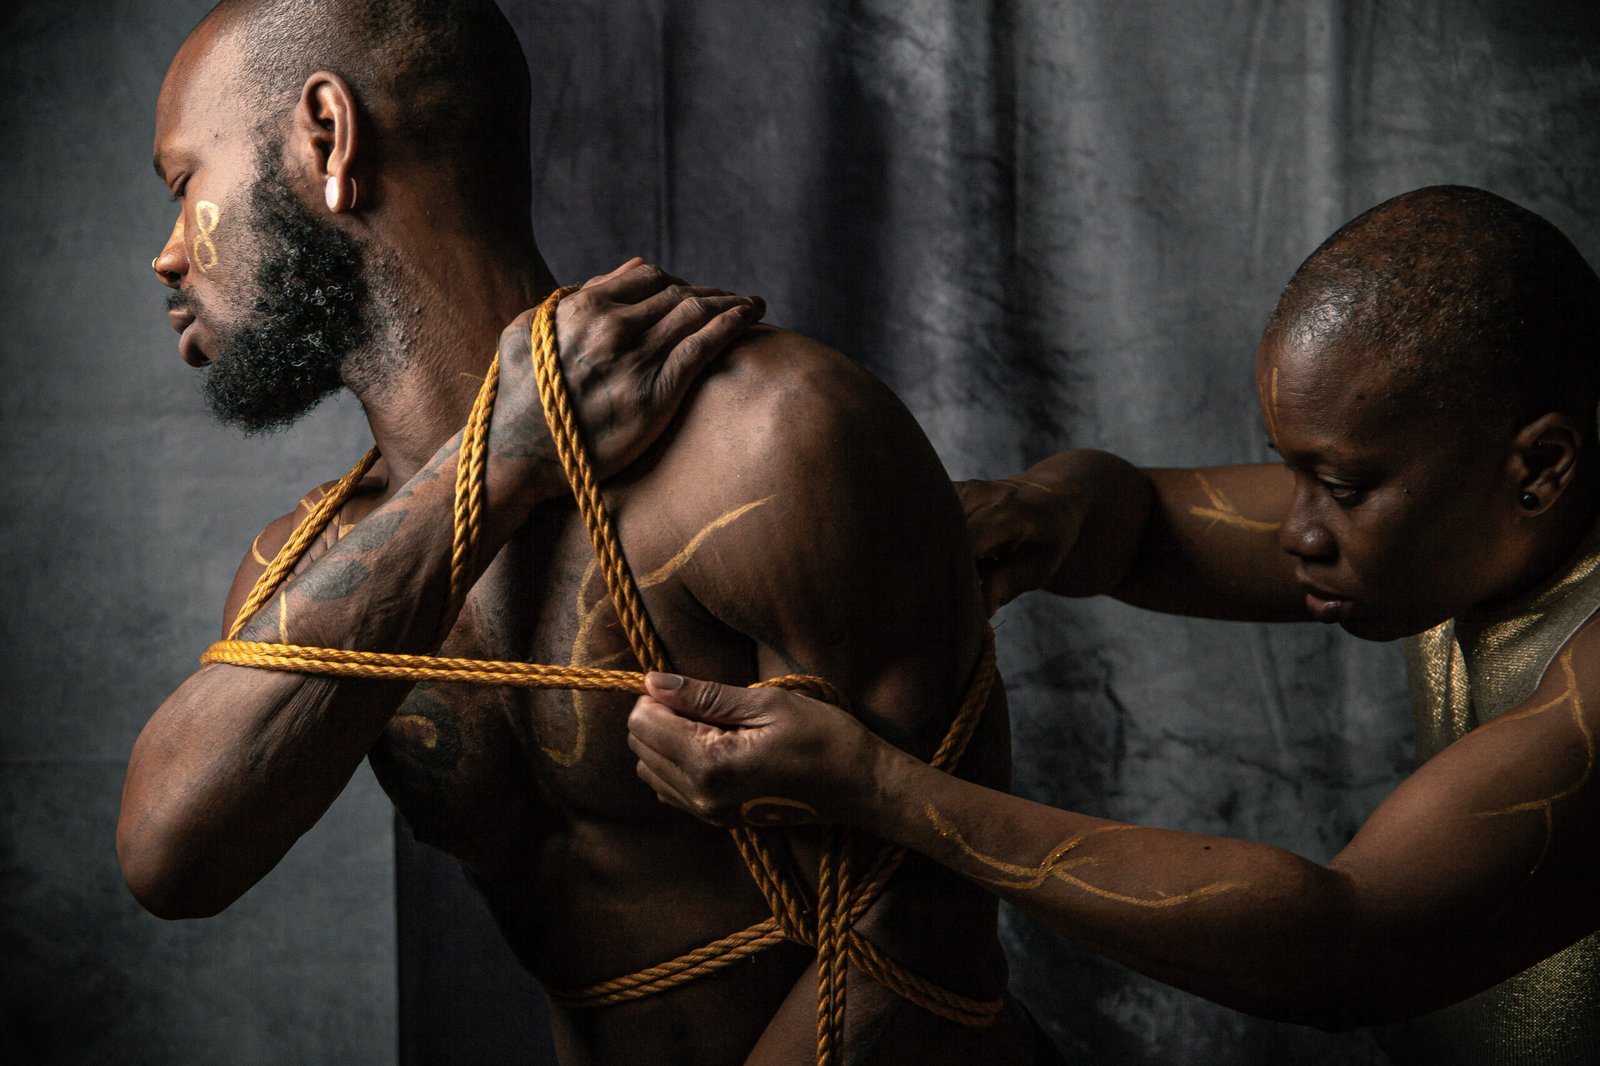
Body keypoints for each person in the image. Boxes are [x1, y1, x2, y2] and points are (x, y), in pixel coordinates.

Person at [115, 1, 1041, 1062]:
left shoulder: (769, 439)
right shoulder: (311, 566)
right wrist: (497, 463)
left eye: (186, 183)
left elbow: (922, 940)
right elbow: (166, 860)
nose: (167, 255)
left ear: (327, 138)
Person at [626, 185, 1600, 1064]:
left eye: (1340, 486)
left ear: (1539, 468)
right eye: (1294, 471)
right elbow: (1134, 520)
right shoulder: (1460, 520)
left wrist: (877, 786)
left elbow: (1340, 948)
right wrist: (1045, 506)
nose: (1296, 528)